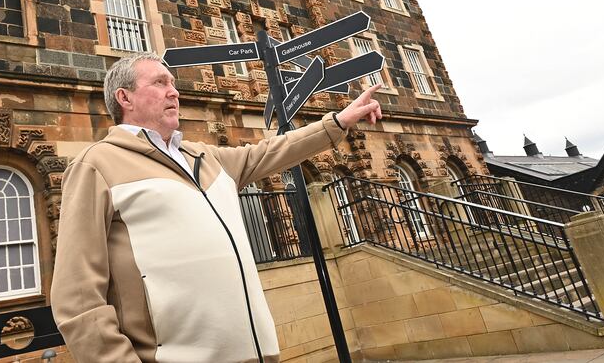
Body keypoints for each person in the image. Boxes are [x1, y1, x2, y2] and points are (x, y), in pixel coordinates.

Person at [51, 52, 382, 363]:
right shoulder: (96, 164)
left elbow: (270, 152)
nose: (174, 91)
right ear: (125, 98)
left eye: (172, 83)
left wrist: (338, 121)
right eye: (160, 83)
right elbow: (77, 297)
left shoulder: (204, 156)